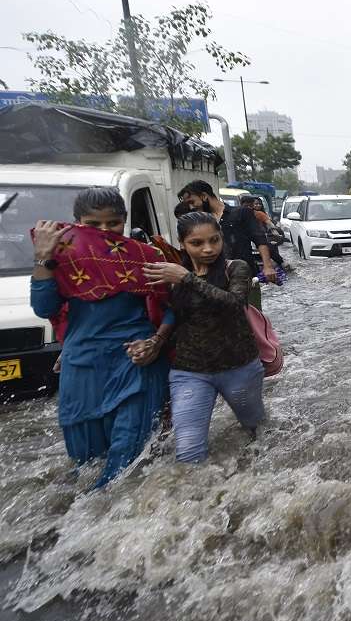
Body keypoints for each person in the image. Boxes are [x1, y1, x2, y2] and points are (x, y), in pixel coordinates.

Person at [30, 188, 171, 489]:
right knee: (86, 460)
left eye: (114, 224)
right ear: (77, 222)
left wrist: (156, 343)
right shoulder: (61, 259)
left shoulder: (142, 257)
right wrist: (43, 258)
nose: (105, 232)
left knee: (128, 462)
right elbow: (44, 308)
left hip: (135, 360)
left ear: (125, 221)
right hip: (82, 368)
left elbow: (174, 307)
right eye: (93, 225)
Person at [143, 212, 265, 463]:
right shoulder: (172, 274)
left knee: (256, 429)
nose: (208, 249)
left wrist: (186, 279)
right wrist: (155, 341)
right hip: (189, 371)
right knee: (188, 451)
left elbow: (234, 303)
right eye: (197, 243)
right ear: (182, 244)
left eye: (214, 240)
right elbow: (171, 315)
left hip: (238, 367)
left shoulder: (235, 268)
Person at [177, 181, 275, 308]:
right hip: (214, 280)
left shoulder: (240, 213)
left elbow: (260, 239)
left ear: (204, 196)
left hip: (245, 279)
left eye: (192, 202)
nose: (191, 207)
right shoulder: (202, 222)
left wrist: (267, 266)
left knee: (250, 318)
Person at [241, 195, 284, 268]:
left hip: (259, 237)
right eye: (255, 204)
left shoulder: (259, 214)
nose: (248, 208)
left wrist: (275, 231)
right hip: (245, 240)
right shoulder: (238, 214)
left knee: (269, 248)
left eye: (259, 204)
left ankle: (282, 263)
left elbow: (269, 224)